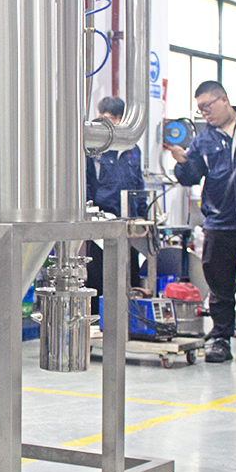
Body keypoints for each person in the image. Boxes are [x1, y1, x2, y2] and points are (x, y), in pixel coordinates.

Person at [168, 80, 236, 363]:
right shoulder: (204, 140)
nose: (204, 113)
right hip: (220, 224)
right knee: (220, 287)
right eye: (200, 109)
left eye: (207, 106)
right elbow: (191, 177)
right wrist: (182, 162)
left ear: (224, 99)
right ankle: (221, 339)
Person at [86, 96, 148, 312]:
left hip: (129, 225)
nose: (114, 123)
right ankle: (97, 321)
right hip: (101, 226)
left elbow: (138, 185)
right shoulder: (93, 149)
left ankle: (130, 320)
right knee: (98, 278)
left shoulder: (133, 149)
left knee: (130, 277)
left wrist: (143, 219)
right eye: (109, 118)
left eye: (117, 118)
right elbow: (86, 183)